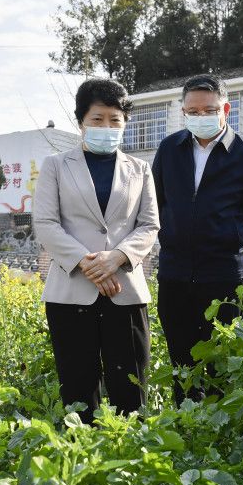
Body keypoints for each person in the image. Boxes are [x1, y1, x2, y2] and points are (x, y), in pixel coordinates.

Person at [33, 78, 160, 424]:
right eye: (97, 119)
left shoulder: (140, 169)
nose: (107, 127)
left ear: (125, 123)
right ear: (81, 122)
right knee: (77, 387)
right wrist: (88, 263)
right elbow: (45, 222)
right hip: (71, 292)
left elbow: (149, 225)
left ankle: (130, 463)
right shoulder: (56, 166)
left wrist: (116, 258)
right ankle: (81, 460)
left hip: (125, 291)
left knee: (131, 388)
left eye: (115, 120)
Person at [152, 74, 243, 404]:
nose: (200, 117)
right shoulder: (169, 150)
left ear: (226, 109)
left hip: (224, 276)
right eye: (193, 111)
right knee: (182, 359)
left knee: (224, 359)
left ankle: (222, 432)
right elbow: (158, 200)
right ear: (183, 112)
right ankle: (187, 423)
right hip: (175, 273)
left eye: (209, 110)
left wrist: (231, 240)